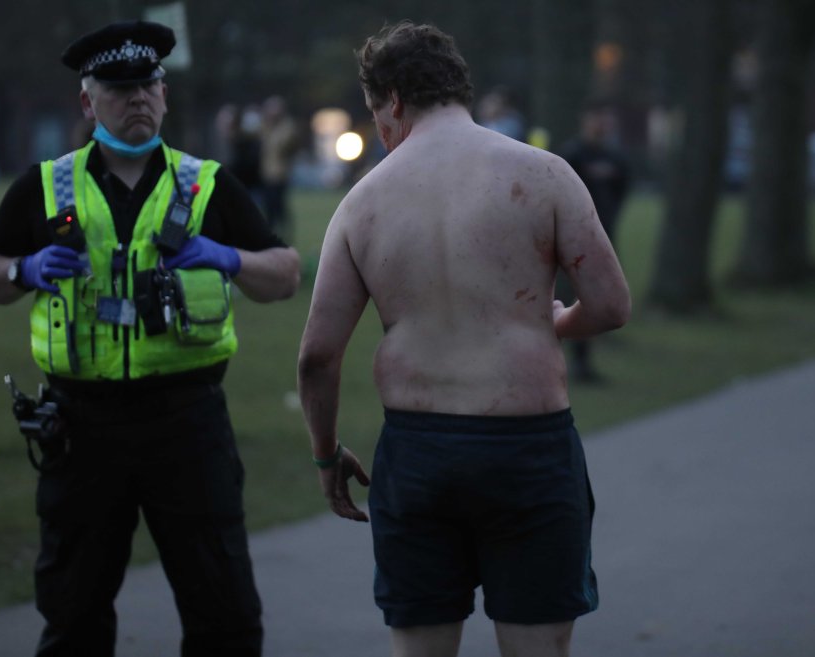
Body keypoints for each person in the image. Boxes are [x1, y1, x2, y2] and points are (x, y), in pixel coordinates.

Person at [0, 20, 299, 657]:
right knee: (74, 616)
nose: (137, 98)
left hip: (187, 423)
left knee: (223, 613)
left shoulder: (205, 184)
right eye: (118, 89)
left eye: (148, 85)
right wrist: (22, 270)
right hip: (81, 428)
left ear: (165, 94)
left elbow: (283, 273)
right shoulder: (47, 184)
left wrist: (227, 257)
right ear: (89, 104)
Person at [297, 21, 630, 657]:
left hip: (419, 455)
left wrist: (324, 453)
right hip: (528, 452)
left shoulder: (362, 204)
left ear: (392, 100)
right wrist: (554, 322)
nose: (380, 133)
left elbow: (318, 356)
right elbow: (611, 306)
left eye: (376, 114)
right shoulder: (545, 174)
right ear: (458, 89)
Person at [556, 100, 631, 382]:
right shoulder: (573, 155)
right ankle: (568, 360)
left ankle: (584, 362)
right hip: (572, 239)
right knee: (568, 297)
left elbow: (623, 188)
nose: (601, 124)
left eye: (605, 118)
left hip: (605, 236)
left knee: (598, 295)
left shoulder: (615, 158)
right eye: (596, 117)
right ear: (584, 120)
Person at [259, 95, 301, 240]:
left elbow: (284, 146)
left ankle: (285, 234)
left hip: (279, 174)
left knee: (279, 207)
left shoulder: (286, 127)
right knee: (268, 208)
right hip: (266, 174)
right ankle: (270, 235)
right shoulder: (265, 127)